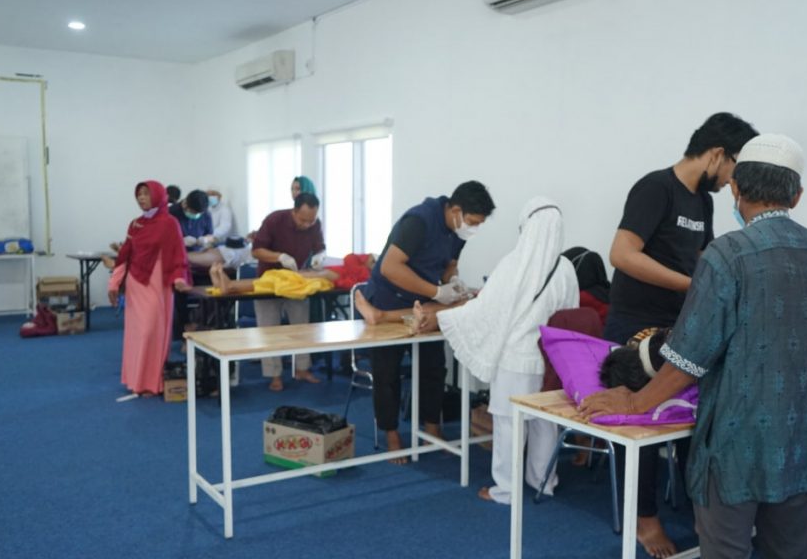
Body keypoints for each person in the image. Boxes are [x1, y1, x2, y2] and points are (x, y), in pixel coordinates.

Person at [580, 134, 807, 559]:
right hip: (802, 444)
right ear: (798, 196)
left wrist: (636, 400)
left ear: (736, 188)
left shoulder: (727, 254)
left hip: (736, 445)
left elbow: (686, 358)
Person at [604, 111, 759, 559]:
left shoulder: (703, 203)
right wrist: (690, 284)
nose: (735, 183)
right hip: (636, 325)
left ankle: (700, 509)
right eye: (734, 169)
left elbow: (703, 257)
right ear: (716, 154)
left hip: (681, 327)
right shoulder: (655, 188)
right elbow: (621, 254)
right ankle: (644, 518)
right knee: (643, 422)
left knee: (695, 422)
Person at [357, 196, 578, 494]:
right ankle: (544, 482)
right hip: (550, 358)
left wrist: (443, 319)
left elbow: (487, 310)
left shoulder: (515, 264)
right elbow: (570, 314)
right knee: (544, 423)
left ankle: (506, 490)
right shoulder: (566, 268)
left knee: (508, 424)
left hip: (516, 359)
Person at [360, 180, 495, 462]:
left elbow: (449, 265)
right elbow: (390, 267)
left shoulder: (457, 231)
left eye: (479, 224)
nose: (473, 228)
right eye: (472, 221)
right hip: (389, 294)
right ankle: (392, 434)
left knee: (434, 366)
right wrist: (436, 291)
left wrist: (454, 283)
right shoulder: (419, 220)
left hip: (423, 302)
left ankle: (432, 426)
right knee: (387, 372)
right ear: (455, 210)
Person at [107, 180, 191, 397]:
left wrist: (179, 278)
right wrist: (114, 282)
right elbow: (125, 254)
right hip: (136, 284)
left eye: (146, 194)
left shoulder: (169, 223)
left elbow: (178, 254)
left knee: (152, 331)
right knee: (137, 334)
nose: (141, 198)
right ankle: (136, 380)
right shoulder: (136, 224)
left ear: (158, 195)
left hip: (158, 284)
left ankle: (152, 382)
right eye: (139, 195)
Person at [251, 192, 326, 390]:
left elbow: (319, 247)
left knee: (301, 327)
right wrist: (279, 257)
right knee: (270, 330)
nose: (307, 225)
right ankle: (274, 374)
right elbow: (256, 250)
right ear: (294, 211)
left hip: (296, 280)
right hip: (269, 281)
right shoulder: (275, 220)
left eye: (311, 220)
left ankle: (302, 368)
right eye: (303, 220)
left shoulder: (314, 224)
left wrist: (319, 255)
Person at [207, 260, 337, 296]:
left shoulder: (326, 275)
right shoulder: (326, 274)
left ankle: (221, 278)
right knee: (259, 282)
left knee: (257, 283)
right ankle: (223, 280)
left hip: (285, 278)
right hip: (285, 277)